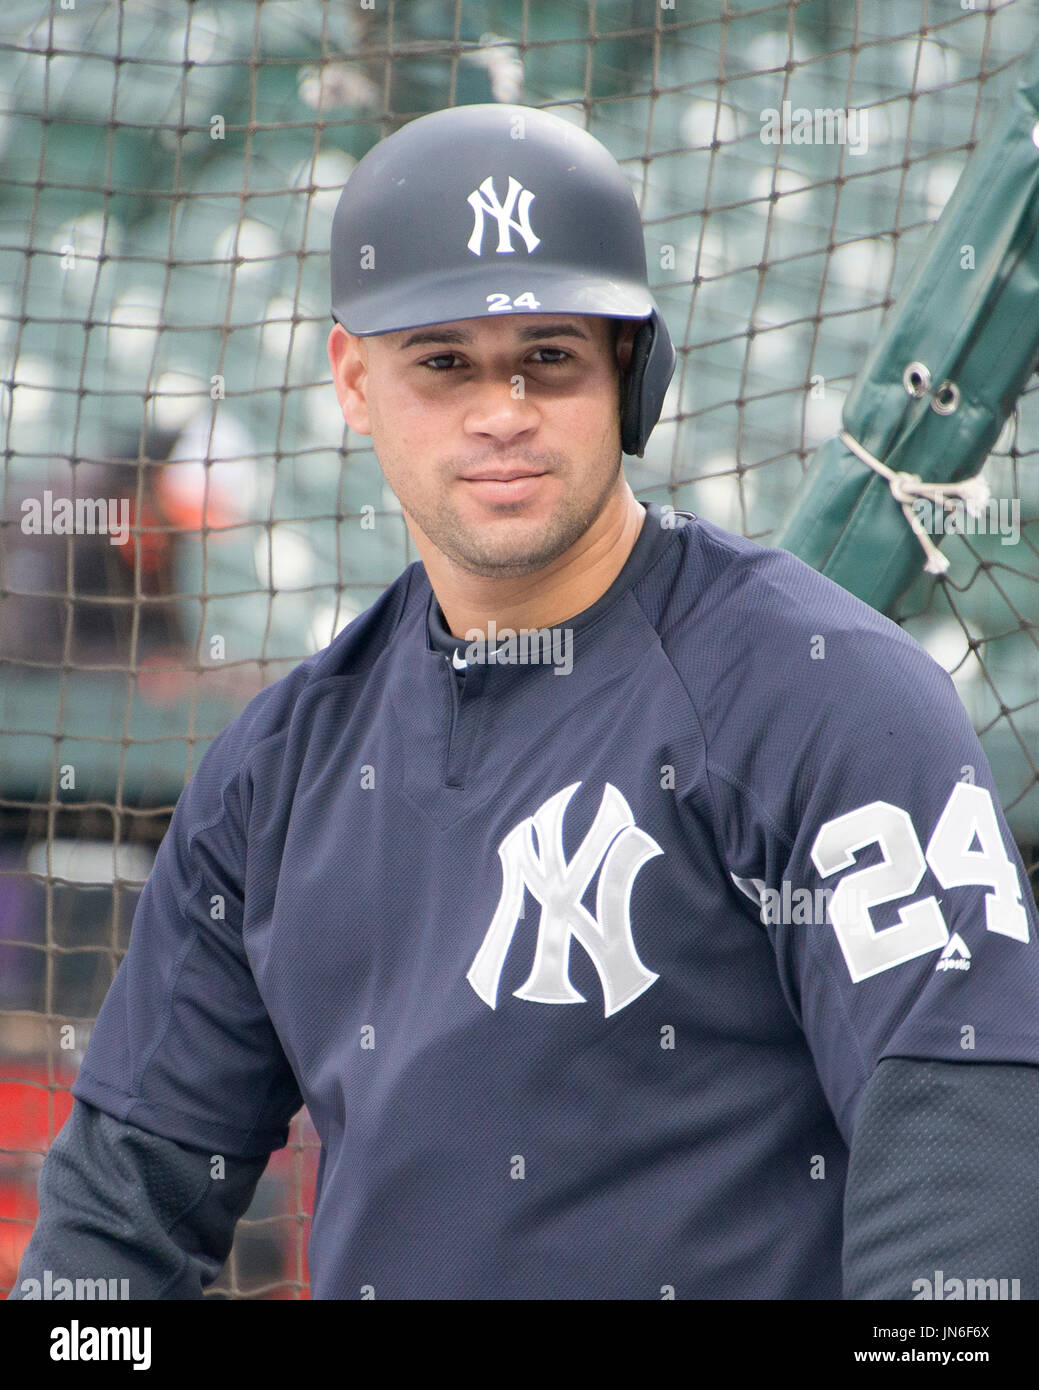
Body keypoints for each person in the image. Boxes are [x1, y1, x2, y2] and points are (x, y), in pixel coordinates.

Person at [10, 103, 1039, 1302]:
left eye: (547, 354)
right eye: (443, 360)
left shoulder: (827, 697)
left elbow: (964, 1166)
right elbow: (117, 1225)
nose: (500, 408)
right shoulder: (272, 772)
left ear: (629, 366)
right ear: (354, 378)